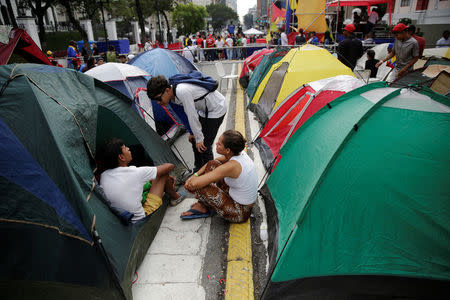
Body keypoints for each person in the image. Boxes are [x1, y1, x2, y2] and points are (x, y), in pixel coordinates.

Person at [146, 75, 226, 172]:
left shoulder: (182, 91)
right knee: (194, 141)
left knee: (204, 146)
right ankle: (199, 169)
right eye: (155, 100)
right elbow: (182, 115)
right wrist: (192, 133)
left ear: (167, 90)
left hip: (216, 108)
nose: (158, 102)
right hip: (204, 110)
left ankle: (210, 176)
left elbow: (192, 115)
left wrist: (199, 138)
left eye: (158, 98)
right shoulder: (170, 97)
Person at [98, 138, 185, 223]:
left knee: (152, 179)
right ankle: (176, 197)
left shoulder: (104, 176)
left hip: (123, 220)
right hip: (141, 220)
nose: (128, 149)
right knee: (163, 175)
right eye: (125, 148)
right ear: (121, 157)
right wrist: (166, 176)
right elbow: (169, 166)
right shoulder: (134, 172)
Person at [181, 130, 258, 223]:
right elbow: (213, 162)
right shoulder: (238, 153)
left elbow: (193, 184)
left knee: (201, 185)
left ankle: (203, 207)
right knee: (213, 164)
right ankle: (203, 204)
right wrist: (195, 175)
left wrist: (190, 182)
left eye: (219, 144)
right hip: (237, 198)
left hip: (240, 212)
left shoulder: (232, 166)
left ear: (227, 150)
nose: (216, 144)